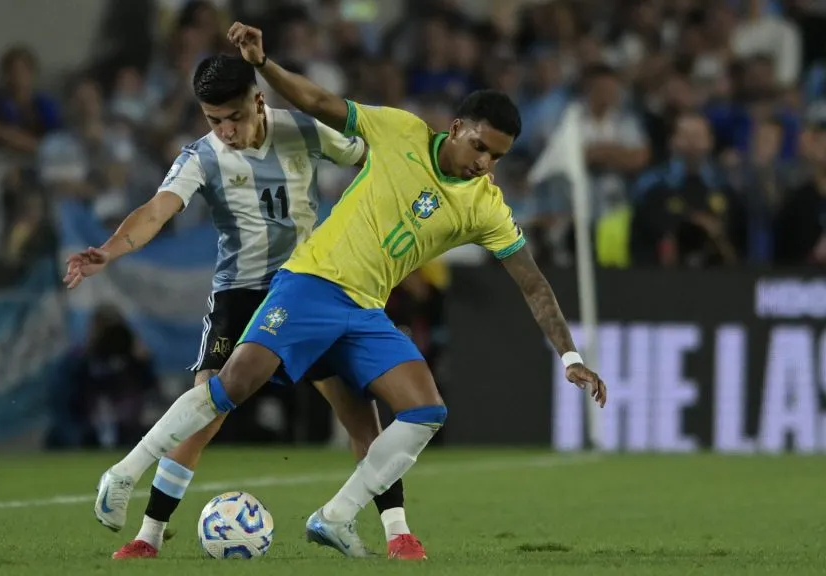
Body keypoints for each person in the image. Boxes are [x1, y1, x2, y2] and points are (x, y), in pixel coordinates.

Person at [89, 22, 609, 558]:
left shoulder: (485, 206)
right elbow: (319, 100)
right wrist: (263, 63)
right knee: (229, 388)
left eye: (495, 157)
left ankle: (338, 516)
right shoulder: (398, 131)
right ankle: (126, 475)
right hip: (312, 282)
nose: (483, 163)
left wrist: (570, 355)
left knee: (424, 411)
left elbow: (534, 282)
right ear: (455, 128)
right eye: (479, 146)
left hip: (364, 310)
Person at [64, 55, 426, 560]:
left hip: (310, 286)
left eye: (234, 117)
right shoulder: (201, 156)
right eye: (214, 120)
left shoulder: (303, 130)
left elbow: (373, 151)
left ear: (259, 101)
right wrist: (110, 249)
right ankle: (147, 536)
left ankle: (398, 533)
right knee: (203, 410)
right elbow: (155, 211)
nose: (226, 130)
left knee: (359, 414)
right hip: (242, 292)